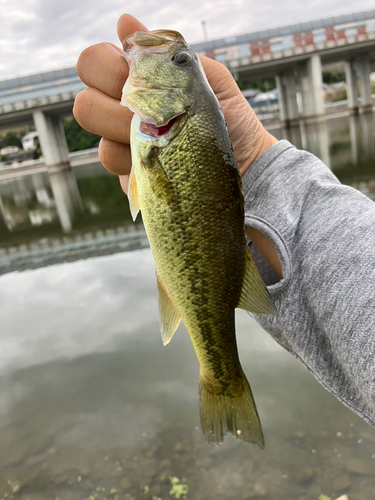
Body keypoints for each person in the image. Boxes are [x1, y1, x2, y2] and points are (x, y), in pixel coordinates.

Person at [73, 14, 375, 429]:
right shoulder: (160, 128)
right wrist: (260, 171)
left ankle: (222, 378)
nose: (171, 56)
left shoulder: (169, 127)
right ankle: (222, 376)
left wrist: (257, 168)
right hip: (191, 240)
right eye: (182, 61)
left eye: (180, 62)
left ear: (186, 96)